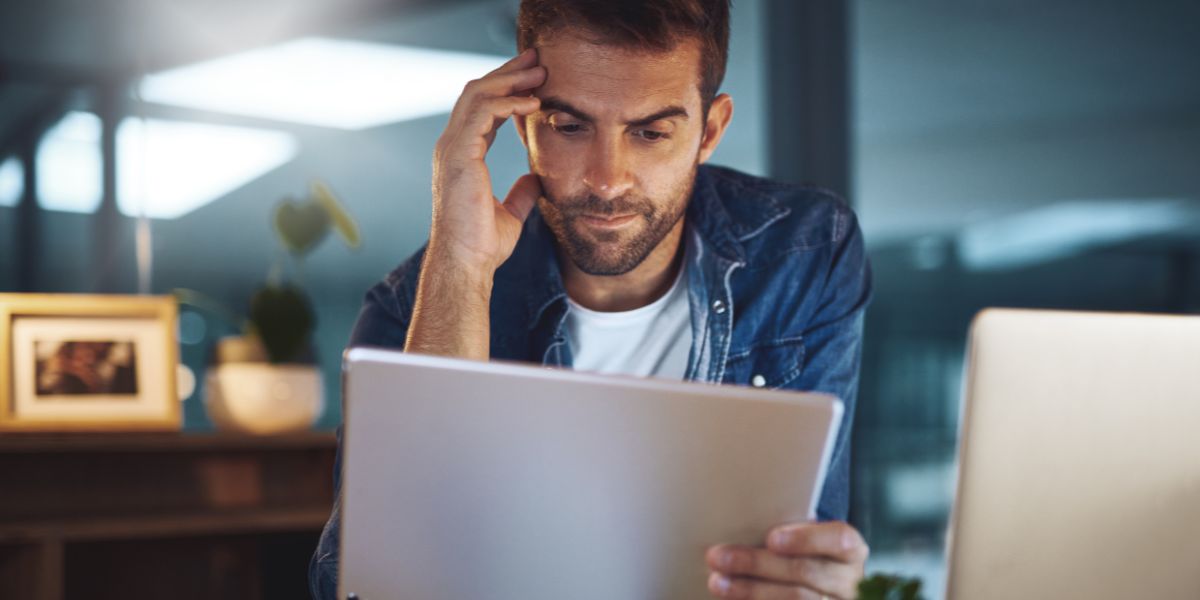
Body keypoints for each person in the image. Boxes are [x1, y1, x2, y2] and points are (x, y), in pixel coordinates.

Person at [311, 1, 872, 598]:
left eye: (651, 132)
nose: (607, 181)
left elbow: (807, 538)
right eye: (570, 127)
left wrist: (819, 577)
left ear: (709, 131)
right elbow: (365, 588)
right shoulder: (413, 306)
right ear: (522, 124)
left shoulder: (805, 250)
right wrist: (461, 270)